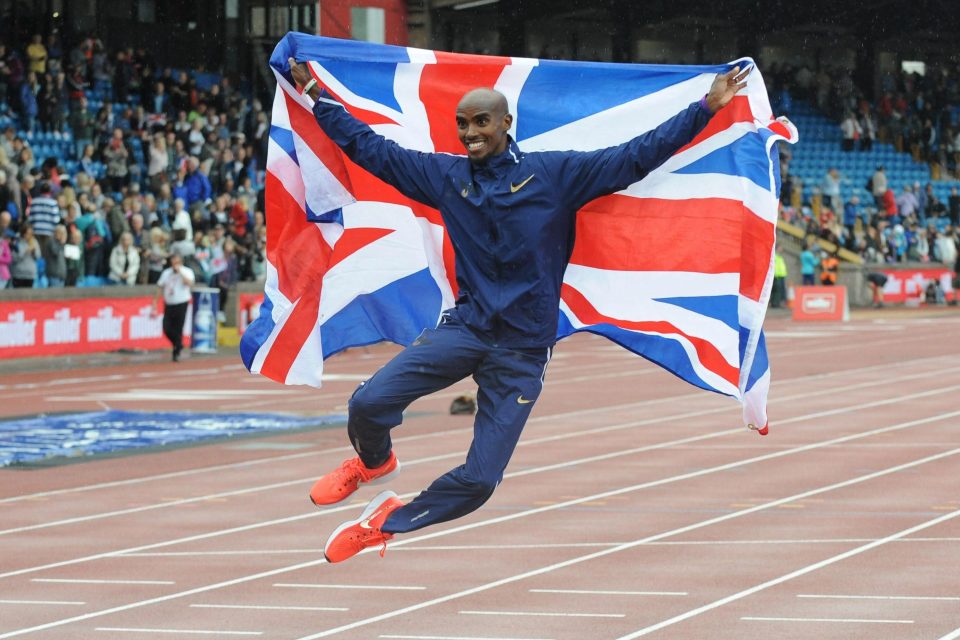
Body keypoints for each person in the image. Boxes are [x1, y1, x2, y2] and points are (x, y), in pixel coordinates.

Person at [287, 56, 750, 564]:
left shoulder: (554, 175)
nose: (469, 132)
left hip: (522, 352)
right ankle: (374, 463)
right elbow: (372, 150)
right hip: (467, 329)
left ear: (507, 124)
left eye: (481, 121)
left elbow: (636, 156)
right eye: (462, 123)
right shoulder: (447, 178)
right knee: (368, 404)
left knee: (481, 480)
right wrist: (316, 97)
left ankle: (386, 522)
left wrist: (705, 107)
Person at [152, 252, 195, 362]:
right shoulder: (166, 273)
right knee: (166, 327)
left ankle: (176, 352)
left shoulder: (187, 271)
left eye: (177, 261)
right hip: (169, 303)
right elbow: (160, 287)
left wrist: (180, 272)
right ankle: (178, 344)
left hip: (181, 302)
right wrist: (155, 303)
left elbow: (189, 283)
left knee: (178, 327)